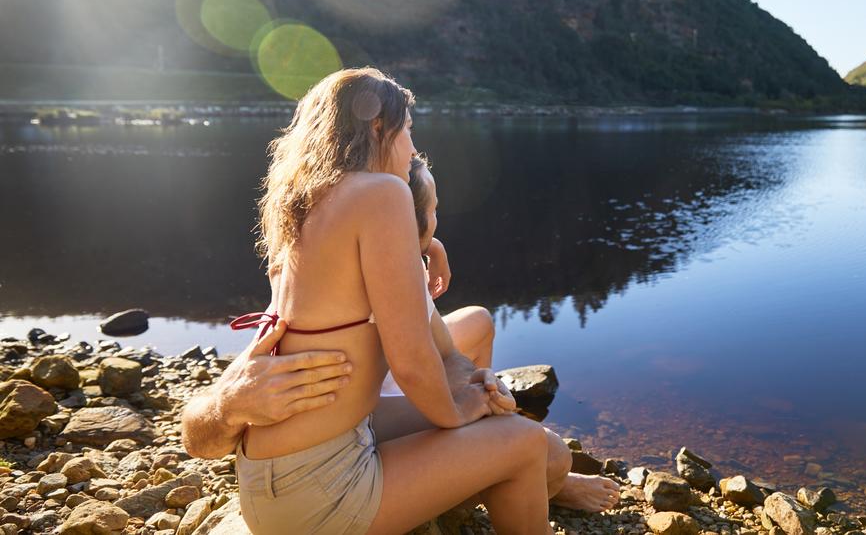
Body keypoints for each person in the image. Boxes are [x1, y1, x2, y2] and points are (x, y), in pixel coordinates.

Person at [185, 68, 551, 534]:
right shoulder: (383, 193)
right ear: (378, 127)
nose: (414, 151)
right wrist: (457, 412)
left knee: (487, 410)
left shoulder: (306, 206)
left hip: (275, 478)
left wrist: (470, 387)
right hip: (318, 491)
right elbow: (412, 359)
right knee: (526, 442)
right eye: (410, 132)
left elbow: (432, 345)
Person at [374, 156, 620, 512]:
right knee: (553, 457)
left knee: (479, 321)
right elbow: (412, 366)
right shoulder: (391, 276)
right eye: (434, 211)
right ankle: (504, 472)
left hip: (399, 376)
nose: (411, 140)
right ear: (408, 221)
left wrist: (430, 246)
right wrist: (461, 409)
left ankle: (486, 440)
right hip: (387, 410)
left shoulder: (372, 236)